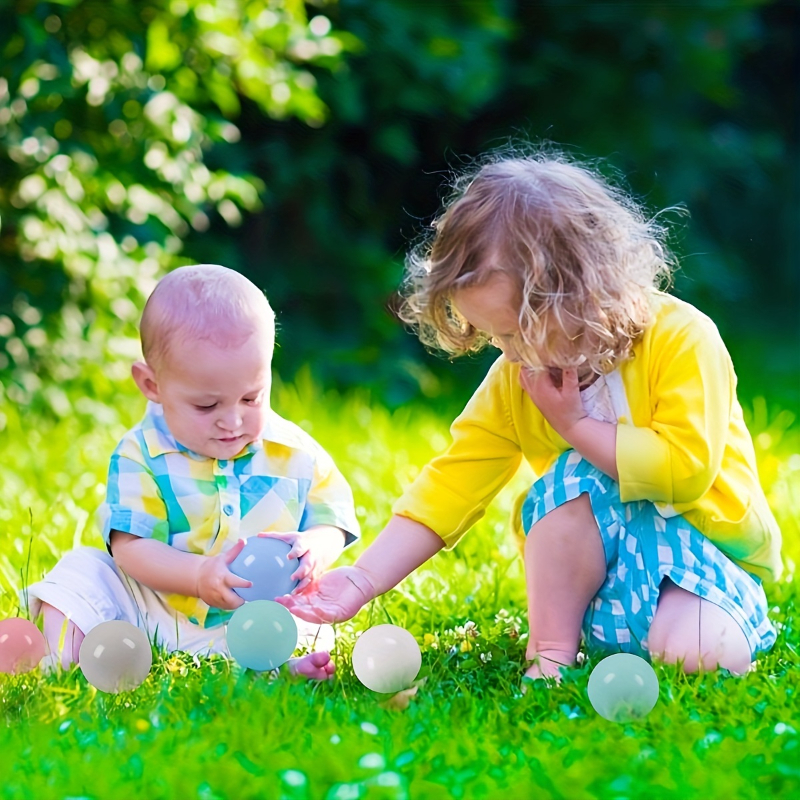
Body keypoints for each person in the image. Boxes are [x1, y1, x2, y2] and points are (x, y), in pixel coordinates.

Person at [280, 152, 783, 685]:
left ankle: (683, 633)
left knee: (695, 657)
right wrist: (362, 579)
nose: (507, 351)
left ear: (582, 292)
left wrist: (576, 427)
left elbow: (685, 472)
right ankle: (550, 653)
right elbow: (454, 482)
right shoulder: (518, 374)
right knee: (568, 486)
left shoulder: (681, 339)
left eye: (517, 331)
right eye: (493, 334)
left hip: (701, 566)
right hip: (600, 587)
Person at [26, 264, 359, 680]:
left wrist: (316, 547)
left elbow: (334, 519)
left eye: (252, 397)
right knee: (83, 570)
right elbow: (130, 549)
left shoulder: (294, 452)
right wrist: (198, 575)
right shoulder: (141, 454)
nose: (233, 420)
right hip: (155, 606)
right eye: (207, 406)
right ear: (152, 385)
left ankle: (280, 666)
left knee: (311, 608)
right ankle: (65, 658)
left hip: (255, 614)